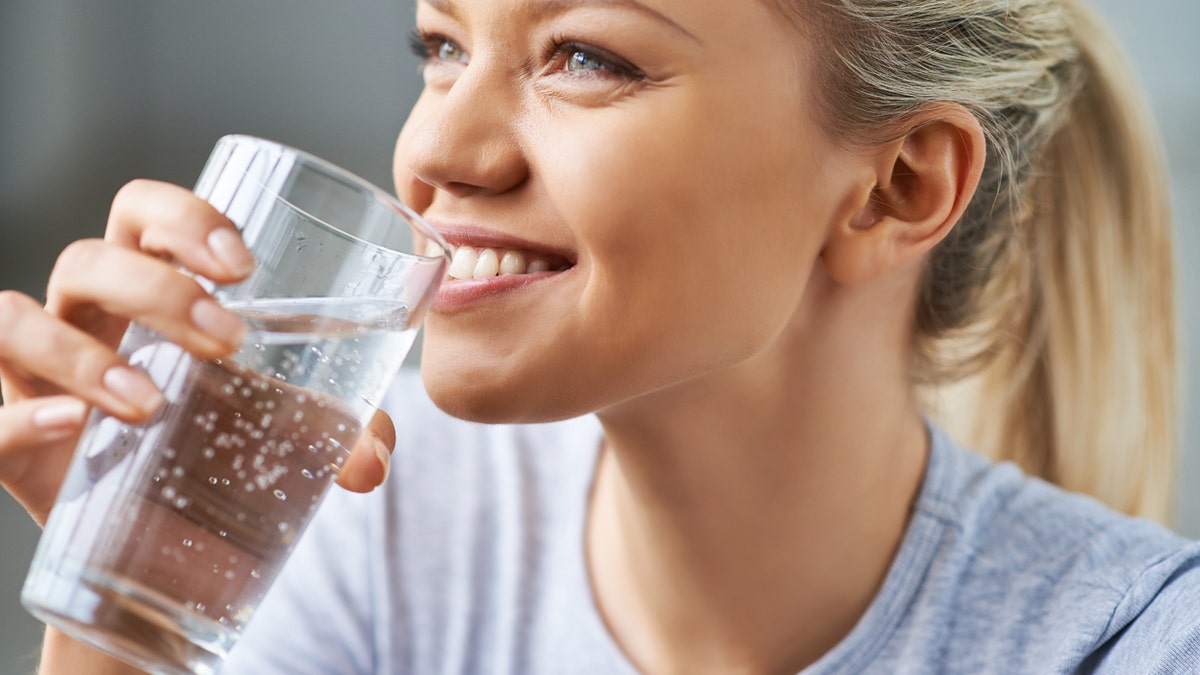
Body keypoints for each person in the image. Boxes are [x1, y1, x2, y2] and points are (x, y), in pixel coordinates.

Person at [0, 0, 1194, 672]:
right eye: (442, 48)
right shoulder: (373, 527)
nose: (437, 155)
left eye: (586, 57)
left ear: (895, 187)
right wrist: (127, 613)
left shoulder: (1134, 643)